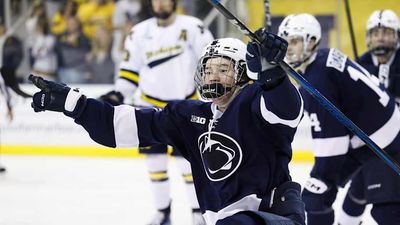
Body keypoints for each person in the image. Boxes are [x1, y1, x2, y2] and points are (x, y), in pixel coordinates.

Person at [29, 30, 306, 225]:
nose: (213, 76)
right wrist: (75, 104)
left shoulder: (255, 100)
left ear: (243, 72)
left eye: (224, 69)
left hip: (272, 214)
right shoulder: (189, 116)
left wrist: (273, 75)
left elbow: (286, 112)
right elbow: (123, 125)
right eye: (208, 69)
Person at [277, 13, 400, 225]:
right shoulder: (325, 57)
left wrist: (322, 177)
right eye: (285, 42)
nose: (288, 48)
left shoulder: (316, 79)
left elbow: (332, 143)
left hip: (383, 143)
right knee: (324, 198)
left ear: (312, 41)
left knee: (385, 210)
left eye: (295, 41)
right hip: (373, 136)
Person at [100, 0, 214, 224]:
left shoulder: (194, 27)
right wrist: (118, 94)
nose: (160, 4)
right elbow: (129, 72)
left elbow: (210, 63)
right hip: (149, 107)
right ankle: (163, 212)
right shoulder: (138, 32)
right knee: (155, 162)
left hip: (186, 108)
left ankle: (196, 212)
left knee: (188, 163)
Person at [337, 10, 400, 225]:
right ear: (367, 38)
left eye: (386, 33)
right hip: (372, 148)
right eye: (375, 33)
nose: (380, 38)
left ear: (397, 36)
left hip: (395, 147)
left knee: (387, 209)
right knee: (356, 196)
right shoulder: (358, 67)